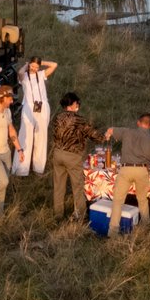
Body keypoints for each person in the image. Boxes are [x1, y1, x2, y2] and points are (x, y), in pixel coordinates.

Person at [101, 113, 150, 235]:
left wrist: (107, 135)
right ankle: (145, 227)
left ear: (138, 122)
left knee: (117, 201)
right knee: (142, 200)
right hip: (142, 171)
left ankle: (112, 232)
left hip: (125, 170)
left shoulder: (127, 132)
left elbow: (111, 130)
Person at [49, 91, 100, 221]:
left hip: (57, 153)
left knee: (59, 186)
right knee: (77, 186)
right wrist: (103, 137)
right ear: (72, 104)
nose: (78, 106)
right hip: (72, 156)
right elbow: (92, 134)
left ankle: (58, 214)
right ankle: (80, 215)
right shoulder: (78, 119)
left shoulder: (57, 117)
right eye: (77, 103)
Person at [13, 56, 58, 177]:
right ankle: (22, 168)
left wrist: (40, 62)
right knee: (25, 135)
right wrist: (27, 64)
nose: (34, 68)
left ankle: (38, 168)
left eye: (36, 67)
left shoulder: (41, 74)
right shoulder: (24, 77)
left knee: (41, 136)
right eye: (32, 66)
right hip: (28, 106)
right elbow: (20, 73)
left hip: (42, 106)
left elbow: (54, 65)